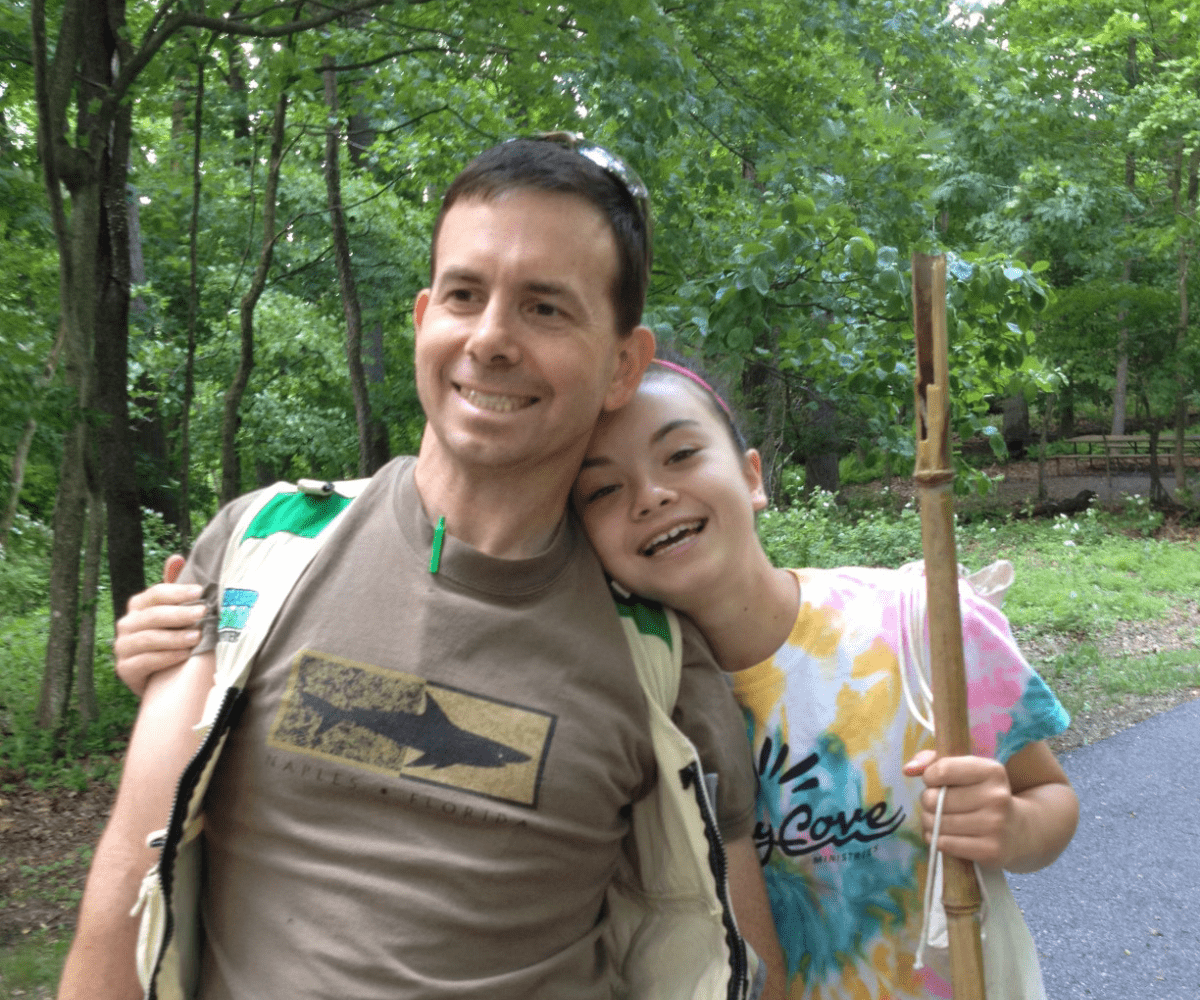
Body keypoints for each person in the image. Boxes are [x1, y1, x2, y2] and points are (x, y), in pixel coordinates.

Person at [60, 137, 785, 1000]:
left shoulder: (656, 659)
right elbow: (125, 889)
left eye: (545, 309)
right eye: (465, 295)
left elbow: (738, 968)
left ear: (622, 363)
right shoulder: (266, 547)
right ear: (421, 318)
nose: (491, 339)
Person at [567, 361, 1080, 999]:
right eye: (602, 491)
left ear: (753, 476)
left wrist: (1012, 827)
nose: (649, 495)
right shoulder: (621, 708)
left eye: (680, 454)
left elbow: (1052, 798)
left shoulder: (921, 625)